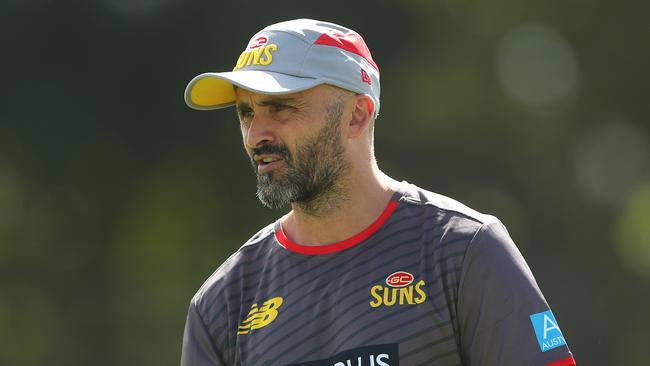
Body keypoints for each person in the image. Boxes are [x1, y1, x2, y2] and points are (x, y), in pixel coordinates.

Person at [180, 19, 576, 366]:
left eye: (281, 108)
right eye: (246, 113)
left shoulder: (462, 251)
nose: (255, 135)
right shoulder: (223, 304)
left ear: (357, 115)